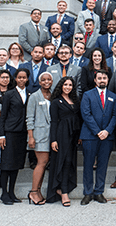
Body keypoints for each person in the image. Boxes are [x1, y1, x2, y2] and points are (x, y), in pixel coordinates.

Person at [80, 70, 116, 205]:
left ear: (108, 80)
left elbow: (115, 115)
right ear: (95, 80)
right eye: (99, 78)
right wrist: (98, 131)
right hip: (90, 135)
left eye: (104, 78)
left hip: (106, 137)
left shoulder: (113, 96)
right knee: (88, 165)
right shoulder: (87, 95)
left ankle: (99, 192)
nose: (102, 80)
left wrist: (107, 131)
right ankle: (87, 193)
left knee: (103, 164)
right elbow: (86, 114)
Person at [46, 76, 82, 206]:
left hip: (73, 135)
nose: (68, 87)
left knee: (70, 162)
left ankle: (63, 188)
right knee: (64, 161)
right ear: (61, 85)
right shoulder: (56, 102)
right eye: (65, 84)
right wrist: (53, 139)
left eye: (70, 85)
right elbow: (54, 121)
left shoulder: (74, 100)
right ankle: (63, 191)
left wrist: (79, 136)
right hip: (61, 135)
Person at [0, 68, 30, 205]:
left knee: (16, 163)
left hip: (22, 132)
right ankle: (4, 193)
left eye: (24, 77)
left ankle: (12, 192)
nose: (22, 80)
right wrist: (2, 135)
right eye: (19, 77)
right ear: (15, 79)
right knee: (7, 164)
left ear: (27, 79)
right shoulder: (9, 94)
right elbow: (3, 116)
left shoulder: (29, 94)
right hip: (10, 132)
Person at [26, 72, 53, 205]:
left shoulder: (53, 95)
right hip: (39, 135)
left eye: (49, 79)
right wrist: (30, 137)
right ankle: (33, 191)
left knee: (44, 163)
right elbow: (29, 118)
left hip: (50, 134)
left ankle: (38, 191)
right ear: (39, 82)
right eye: (44, 80)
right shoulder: (34, 97)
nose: (46, 82)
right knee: (42, 162)